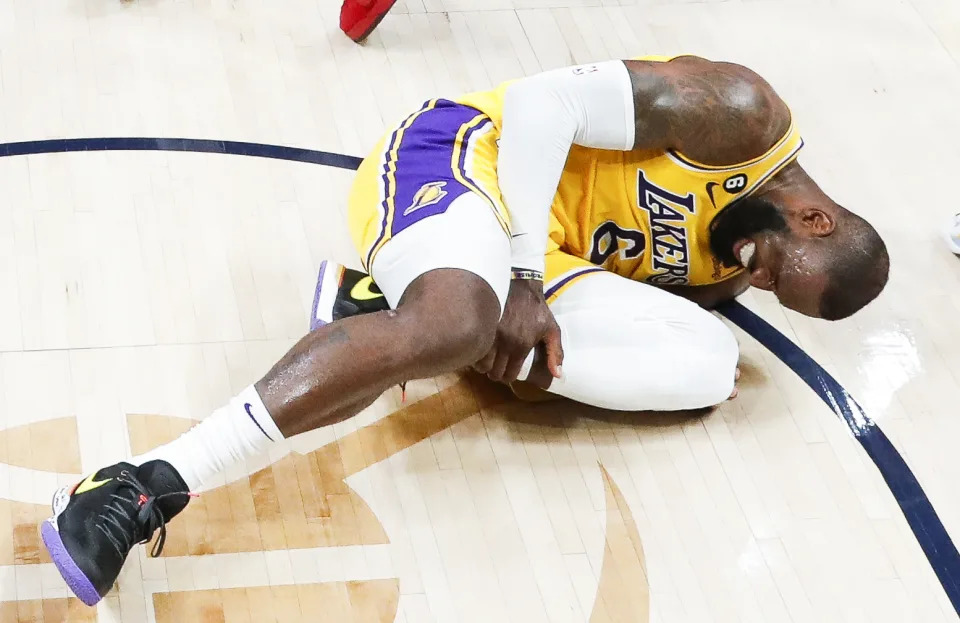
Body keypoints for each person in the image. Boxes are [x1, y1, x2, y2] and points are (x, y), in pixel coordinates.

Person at [41, 55, 889, 606]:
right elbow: (541, 103)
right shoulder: (734, 114)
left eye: (775, 292)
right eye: (779, 267)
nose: (758, 277)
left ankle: (390, 312)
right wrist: (518, 275)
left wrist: (535, 347)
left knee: (711, 365)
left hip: (535, 258)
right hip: (461, 161)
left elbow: (618, 338)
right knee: (464, 318)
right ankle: (139, 484)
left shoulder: (730, 265)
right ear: (813, 216)